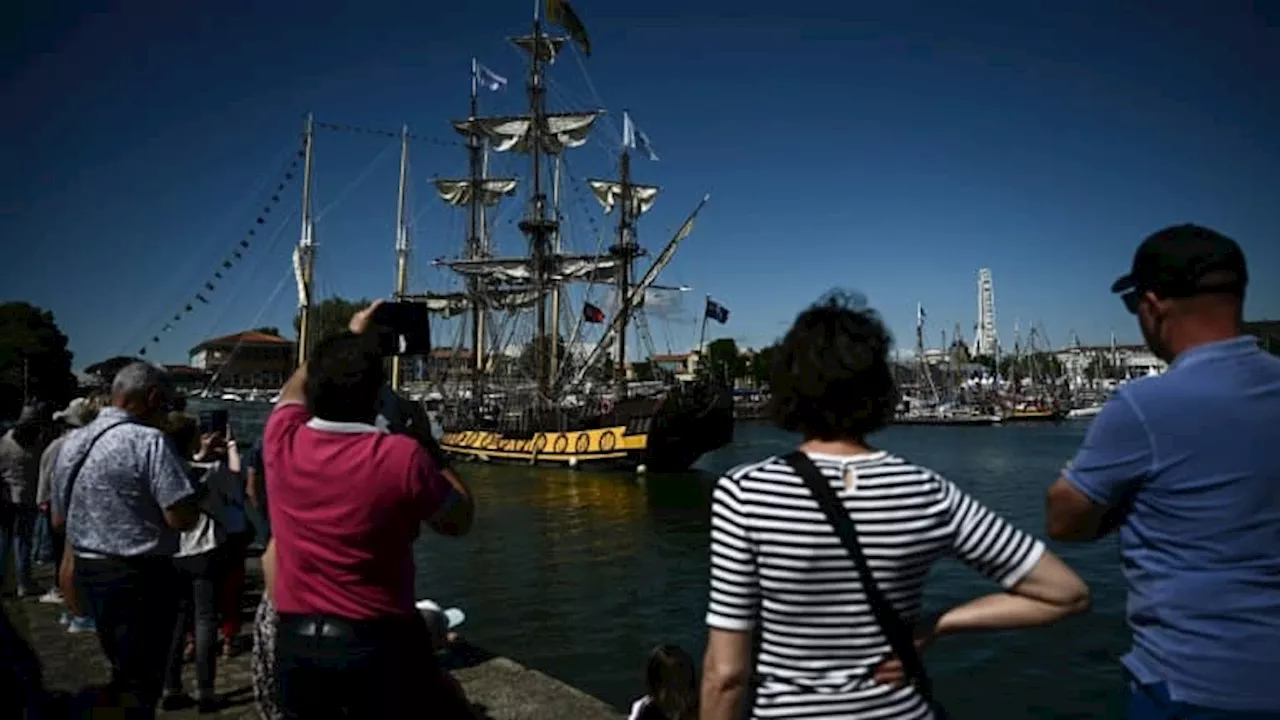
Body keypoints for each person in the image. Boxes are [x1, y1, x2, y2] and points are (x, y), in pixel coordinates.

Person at [700, 292, 1091, 720]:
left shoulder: (746, 493)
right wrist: (936, 625)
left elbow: (726, 674)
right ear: (878, 390)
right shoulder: (925, 490)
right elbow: (1066, 594)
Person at [1046, 224, 1280, 718]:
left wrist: (1122, 506)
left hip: (1194, 684)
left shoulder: (1144, 405)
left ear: (1152, 305)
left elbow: (1063, 521)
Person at [265, 300, 478, 718]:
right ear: (376, 393)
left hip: (296, 641)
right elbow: (459, 520)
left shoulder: (281, 439)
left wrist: (351, 334)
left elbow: (295, 389)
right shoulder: (401, 456)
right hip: (377, 640)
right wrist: (429, 446)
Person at [50, 362, 202, 719]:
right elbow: (179, 517)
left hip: (90, 570)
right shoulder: (148, 441)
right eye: (165, 404)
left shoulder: (72, 442)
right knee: (143, 681)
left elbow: (59, 518)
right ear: (151, 398)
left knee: (121, 671)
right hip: (140, 577)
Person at [160, 413, 241, 713]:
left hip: (173, 549)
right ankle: (205, 690)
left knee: (176, 622)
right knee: (205, 620)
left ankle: (170, 686)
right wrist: (227, 447)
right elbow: (236, 487)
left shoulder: (167, 469)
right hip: (205, 548)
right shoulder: (213, 470)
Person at [36, 398, 98, 608]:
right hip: (72, 504)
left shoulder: (59, 444)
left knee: (63, 554)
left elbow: (46, 475)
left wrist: (43, 499)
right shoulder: (82, 443)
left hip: (59, 504)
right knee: (69, 554)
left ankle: (69, 600)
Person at [0, 405, 49, 598]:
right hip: (27, 498)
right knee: (23, 542)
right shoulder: (36, 445)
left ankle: (3, 582)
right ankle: (24, 582)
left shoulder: (4, 442)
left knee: (4, 542)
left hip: (5, 497)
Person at [629, 644, 698, 720]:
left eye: (681, 687)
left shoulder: (703, 708)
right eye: (670, 688)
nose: (676, 697)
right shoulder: (644, 710)